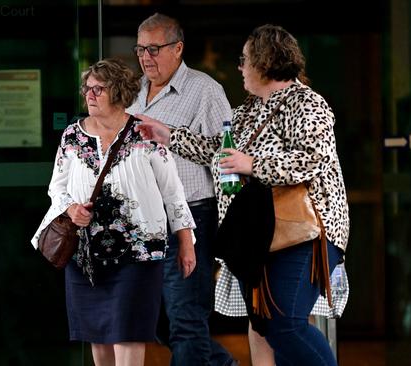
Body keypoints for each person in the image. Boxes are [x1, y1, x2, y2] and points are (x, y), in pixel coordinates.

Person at [136, 24, 350, 366]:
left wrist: (251, 163)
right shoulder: (250, 109)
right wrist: (168, 136)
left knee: (286, 324)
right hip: (260, 235)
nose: (239, 67)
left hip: (304, 232)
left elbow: (311, 160)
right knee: (264, 324)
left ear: (265, 62)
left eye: (244, 59)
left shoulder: (306, 103)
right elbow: (219, 151)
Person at [31, 58, 196, 366]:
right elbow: (57, 187)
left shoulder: (145, 132)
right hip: (86, 257)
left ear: (119, 92)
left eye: (98, 89)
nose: (89, 95)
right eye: (87, 89)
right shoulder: (71, 136)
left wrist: (185, 241)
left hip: (139, 253)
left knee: (128, 335)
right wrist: (71, 209)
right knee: (100, 341)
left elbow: (172, 191)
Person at [125, 13, 238, 366]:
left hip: (189, 218)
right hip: (142, 223)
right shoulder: (132, 93)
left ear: (178, 49)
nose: (146, 57)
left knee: (186, 320)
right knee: (156, 320)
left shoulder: (204, 90)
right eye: (141, 48)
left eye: (154, 49)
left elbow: (226, 154)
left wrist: (170, 135)